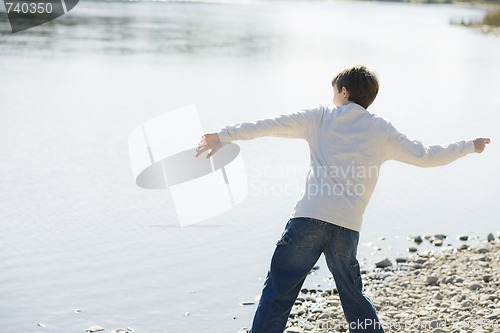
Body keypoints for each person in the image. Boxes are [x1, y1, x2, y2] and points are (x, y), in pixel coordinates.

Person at [194, 65, 490, 333]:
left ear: (344, 92)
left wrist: (224, 135)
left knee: (279, 293)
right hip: (346, 228)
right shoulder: (381, 129)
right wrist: (468, 146)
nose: (332, 97)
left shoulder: (320, 117)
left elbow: (270, 125)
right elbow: (427, 156)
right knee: (353, 298)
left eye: (334, 91)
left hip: (307, 220)